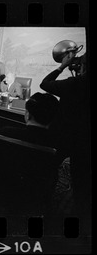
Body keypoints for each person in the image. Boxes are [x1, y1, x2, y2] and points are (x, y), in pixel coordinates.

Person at [40, 51, 91, 223]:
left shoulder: (75, 83)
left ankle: (46, 205)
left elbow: (45, 84)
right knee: (80, 179)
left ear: (82, 66)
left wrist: (62, 66)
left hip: (64, 135)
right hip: (85, 140)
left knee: (50, 167)